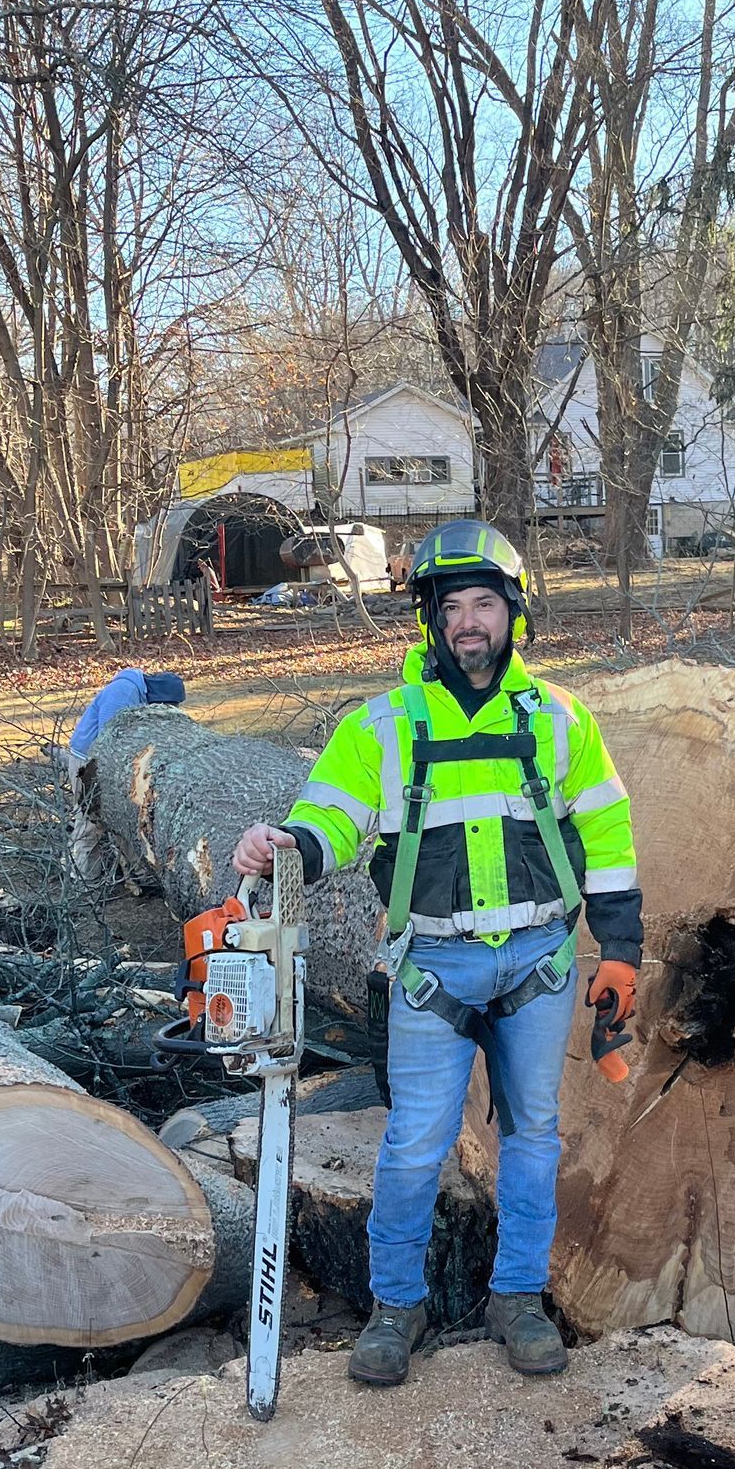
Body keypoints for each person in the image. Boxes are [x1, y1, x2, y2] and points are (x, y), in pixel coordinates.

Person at [231, 520, 640, 1386]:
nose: (467, 622)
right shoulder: (380, 727)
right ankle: (396, 1305)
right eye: (451, 606)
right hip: (434, 966)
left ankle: (518, 1298)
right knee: (415, 1143)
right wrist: (290, 845)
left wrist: (623, 948)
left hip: (540, 959)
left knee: (534, 1136)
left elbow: (606, 828)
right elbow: (333, 817)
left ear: (514, 614)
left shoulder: (561, 721)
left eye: (484, 603)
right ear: (430, 621)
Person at [65, 666, 187, 881]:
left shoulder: (139, 694)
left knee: (128, 817)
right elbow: (109, 738)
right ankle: (83, 877)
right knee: (90, 820)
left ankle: (139, 874)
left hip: (115, 763)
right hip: (90, 762)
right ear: (157, 697)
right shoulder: (123, 692)